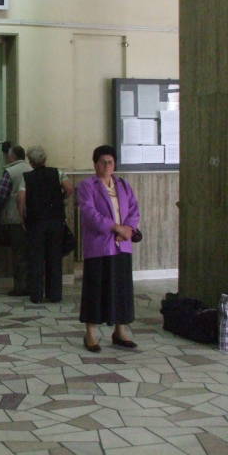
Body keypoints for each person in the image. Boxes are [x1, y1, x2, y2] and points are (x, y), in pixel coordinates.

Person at [76, 145, 140, 353]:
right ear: (95, 164)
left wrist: (128, 229)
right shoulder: (87, 186)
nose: (107, 165)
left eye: (110, 162)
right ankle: (92, 333)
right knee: (96, 288)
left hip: (122, 245)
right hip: (99, 246)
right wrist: (115, 227)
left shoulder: (123, 185)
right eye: (103, 162)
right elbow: (89, 213)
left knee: (121, 288)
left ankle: (120, 330)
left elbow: (133, 209)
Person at [17, 146, 73, 303]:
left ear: (31, 162)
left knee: (36, 258)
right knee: (54, 258)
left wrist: (23, 217)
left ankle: (36, 295)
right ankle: (54, 294)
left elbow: (21, 199)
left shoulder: (26, 177)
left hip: (36, 222)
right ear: (45, 160)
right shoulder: (58, 173)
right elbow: (69, 188)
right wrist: (60, 199)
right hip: (56, 220)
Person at [0, 145, 32, 296]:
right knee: (30, 253)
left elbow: (1, 196)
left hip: (14, 217)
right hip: (32, 218)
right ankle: (31, 285)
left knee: (18, 254)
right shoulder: (31, 168)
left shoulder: (10, 171)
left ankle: (20, 287)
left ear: (12, 156)